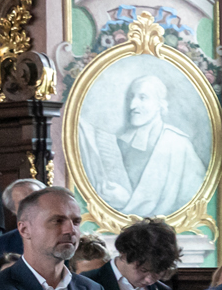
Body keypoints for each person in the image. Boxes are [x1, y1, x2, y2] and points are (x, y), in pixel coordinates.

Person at [80, 74, 209, 217]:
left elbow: (192, 198)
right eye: (131, 97)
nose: (132, 105)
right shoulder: (120, 142)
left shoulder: (178, 145)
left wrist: (127, 202)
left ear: (160, 104)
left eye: (143, 98)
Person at [0, 177, 45, 259]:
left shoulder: (64, 234)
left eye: (36, 199)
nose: (32, 205)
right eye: (24, 202)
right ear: (13, 209)